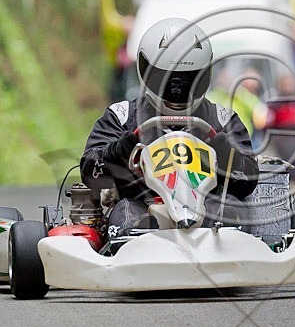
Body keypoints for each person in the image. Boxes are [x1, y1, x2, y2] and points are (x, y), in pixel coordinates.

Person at [80, 17, 259, 241]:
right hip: (142, 206)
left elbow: (248, 182)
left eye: (188, 81)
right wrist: (116, 153)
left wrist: (229, 158)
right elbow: (90, 172)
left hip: (209, 210)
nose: (177, 91)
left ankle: (235, 254)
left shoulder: (221, 120)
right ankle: (134, 251)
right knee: (125, 215)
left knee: (234, 209)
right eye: (168, 81)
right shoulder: (123, 116)